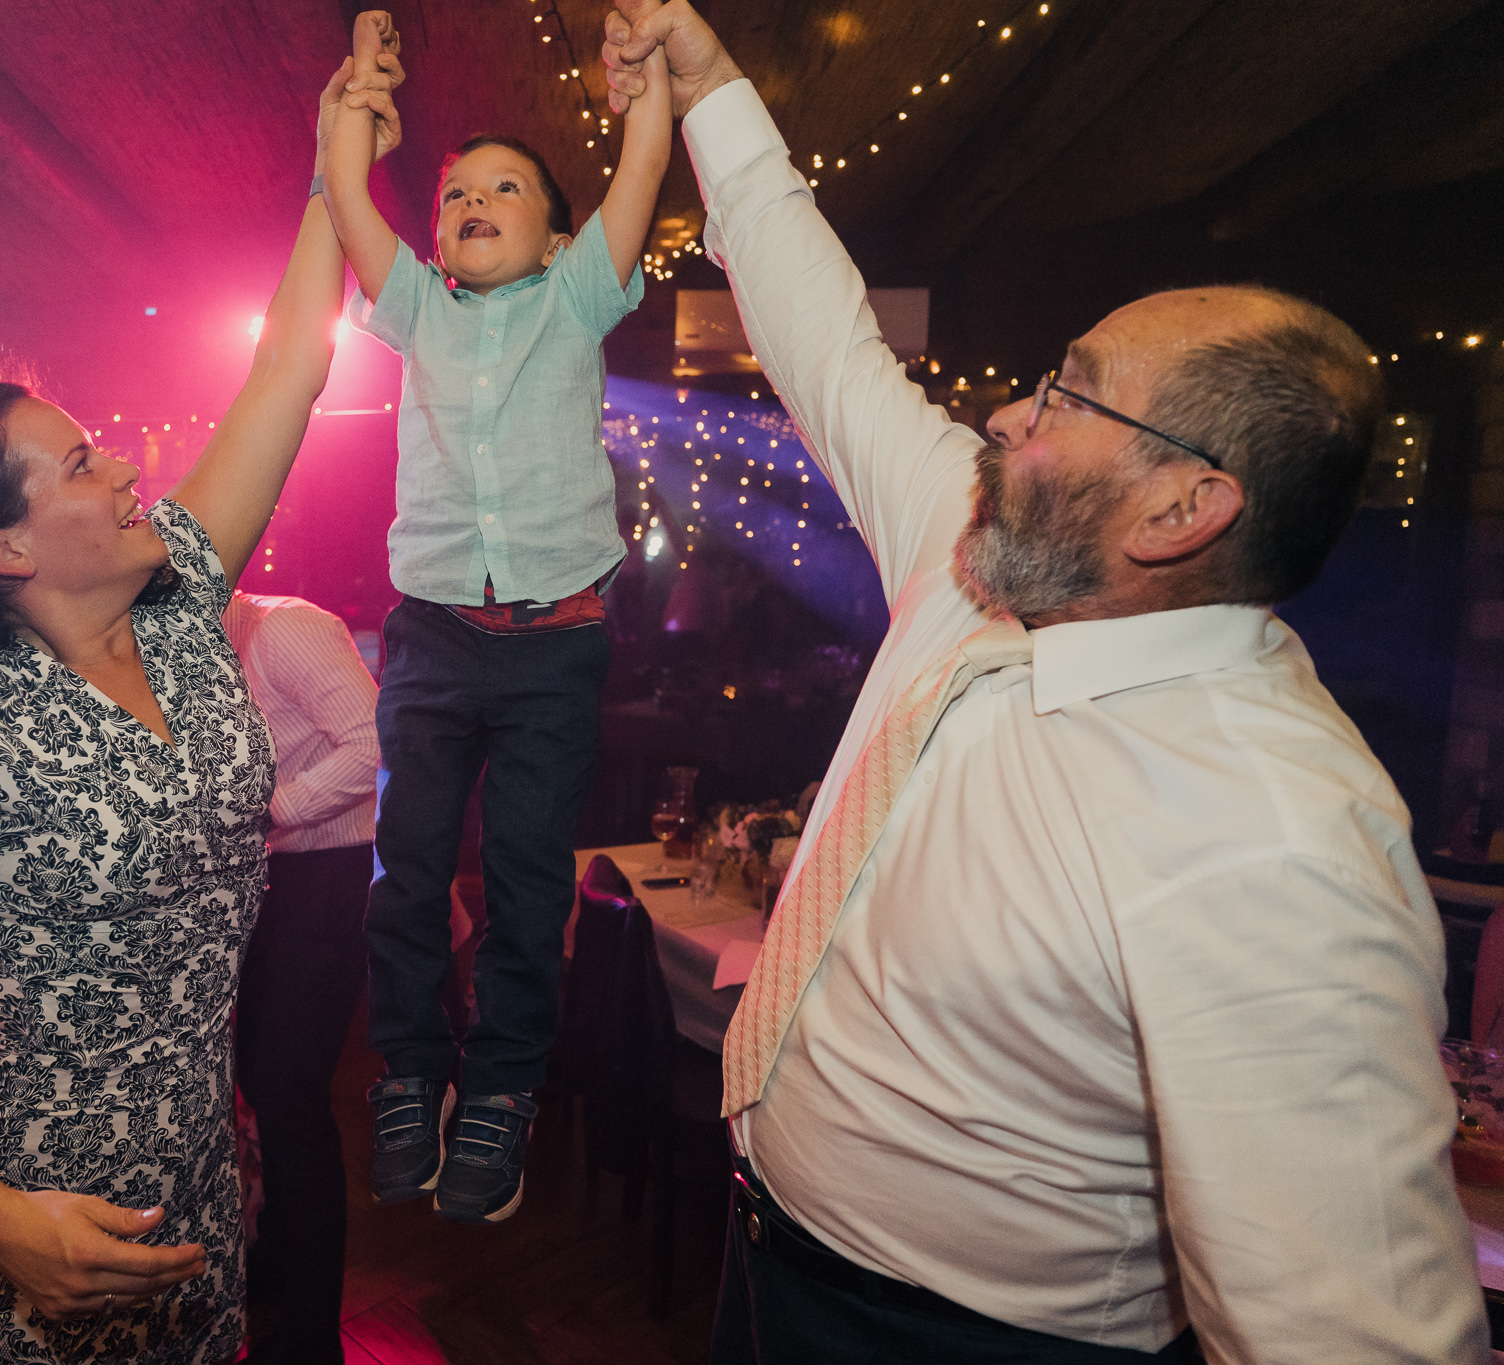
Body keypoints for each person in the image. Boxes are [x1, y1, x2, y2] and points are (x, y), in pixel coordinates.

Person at [601, 4, 1488, 1361]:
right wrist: (715, 92)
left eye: (1069, 398)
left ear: (1183, 506)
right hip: (767, 1263)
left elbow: (1345, 1327)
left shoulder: (1274, 831)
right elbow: (828, 347)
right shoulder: (978, 550)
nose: (1008, 414)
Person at [0, 53, 405, 1365]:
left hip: (192, 1183)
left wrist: (330, 170)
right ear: (2, 546)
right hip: (26, 1206)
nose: (123, 466)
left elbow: (286, 370)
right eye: (77, 463)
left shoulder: (180, 600)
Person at [324, 9, 670, 1225]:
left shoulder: (577, 295)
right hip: (430, 634)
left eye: (504, 187)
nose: (473, 200)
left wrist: (644, 85)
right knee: (408, 868)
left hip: (553, 644)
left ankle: (504, 1087)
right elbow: (350, 204)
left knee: (525, 882)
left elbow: (640, 172)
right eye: (456, 193)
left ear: (559, 237)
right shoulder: (415, 308)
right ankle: (411, 1072)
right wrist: (356, 106)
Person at [220, 592, 378, 1365]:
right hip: (277, 878)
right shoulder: (202, 645)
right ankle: (279, 1274)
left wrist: (274, 809)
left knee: (292, 1098)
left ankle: (313, 1335)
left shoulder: (285, 628)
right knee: (264, 1085)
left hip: (329, 876)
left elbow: (377, 740)